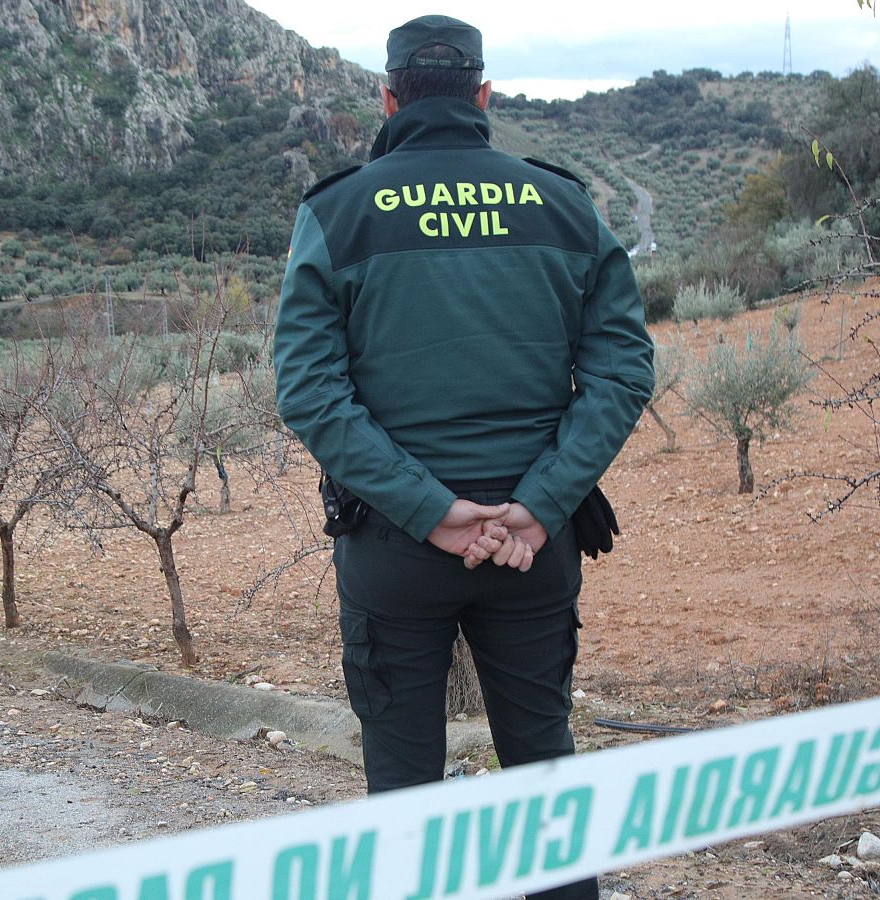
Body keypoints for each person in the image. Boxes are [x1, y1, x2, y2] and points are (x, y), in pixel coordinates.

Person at [273, 15, 653, 900]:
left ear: (389, 96)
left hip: (395, 551)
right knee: (544, 779)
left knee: (402, 788)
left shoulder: (337, 212)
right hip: (532, 546)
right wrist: (537, 505)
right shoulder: (564, 205)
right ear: (484, 96)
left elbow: (309, 389)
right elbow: (624, 366)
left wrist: (433, 513)